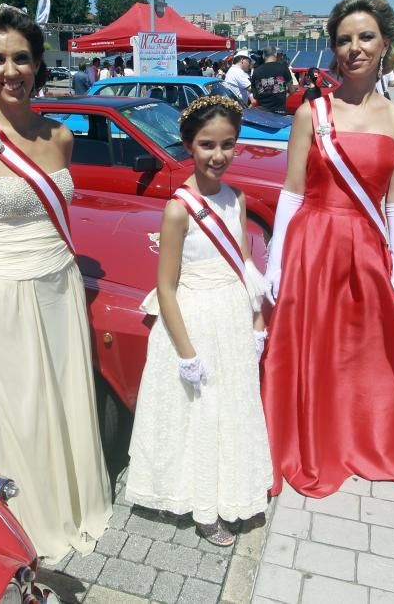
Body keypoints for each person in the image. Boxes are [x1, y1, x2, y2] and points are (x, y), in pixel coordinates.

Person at [261, 0, 394, 499]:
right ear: (333, 48)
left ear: (386, 45)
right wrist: (276, 260)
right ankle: (308, 437)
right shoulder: (313, 112)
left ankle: (363, 435)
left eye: (365, 37)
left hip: (365, 246)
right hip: (312, 243)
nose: (354, 48)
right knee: (310, 344)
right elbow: (291, 191)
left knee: (359, 350)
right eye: (345, 39)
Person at [0, 4, 111, 562]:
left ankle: (77, 498)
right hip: (5, 291)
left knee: (66, 395)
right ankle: (36, 514)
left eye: (21, 57)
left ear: (39, 64)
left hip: (60, 283)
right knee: (24, 407)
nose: (10, 69)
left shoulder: (61, 137)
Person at [125, 95, 272, 547]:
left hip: (230, 316)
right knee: (201, 411)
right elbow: (166, 287)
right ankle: (204, 507)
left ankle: (234, 490)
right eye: (207, 144)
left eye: (228, 144)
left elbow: (244, 264)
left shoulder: (237, 197)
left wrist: (257, 321)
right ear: (189, 144)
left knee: (231, 406)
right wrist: (186, 352)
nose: (219, 155)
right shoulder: (178, 209)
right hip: (194, 322)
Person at [251, 46, 296, 115]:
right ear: (275, 54)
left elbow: (255, 95)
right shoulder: (283, 68)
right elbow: (292, 90)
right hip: (280, 112)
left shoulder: (256, 71)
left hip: (263, 113)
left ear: (263, 56)